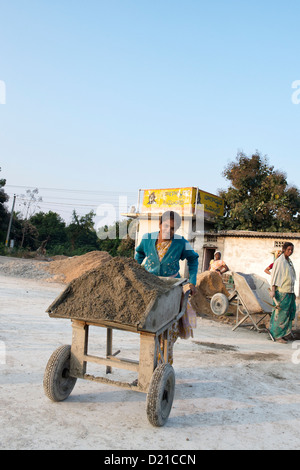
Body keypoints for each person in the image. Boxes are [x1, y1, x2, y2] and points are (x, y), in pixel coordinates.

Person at [135, 210, 199, 363]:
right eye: (166, 226)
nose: (168, 231)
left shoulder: (181, 242)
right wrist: (133, 273)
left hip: (171, 291)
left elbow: (193, 260)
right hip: (149, 289)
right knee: (149, 329)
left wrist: (192, 281)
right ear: (159, 224)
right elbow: (138, 256)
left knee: (168, 331)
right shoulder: (147, 239)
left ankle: (164, 366)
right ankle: (148, 365)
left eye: (173, 228)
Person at [269, 242, 296, 343]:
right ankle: (277, 335)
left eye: (291, 250)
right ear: (284, 249)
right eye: (288, 249)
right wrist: (272, 290)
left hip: (289, 291)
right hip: (282, 292)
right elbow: (275, 275)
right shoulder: (280, 261)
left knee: (288, 314)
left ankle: (283, 333)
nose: (290, 251)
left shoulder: (288, 261)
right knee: (281, 314)